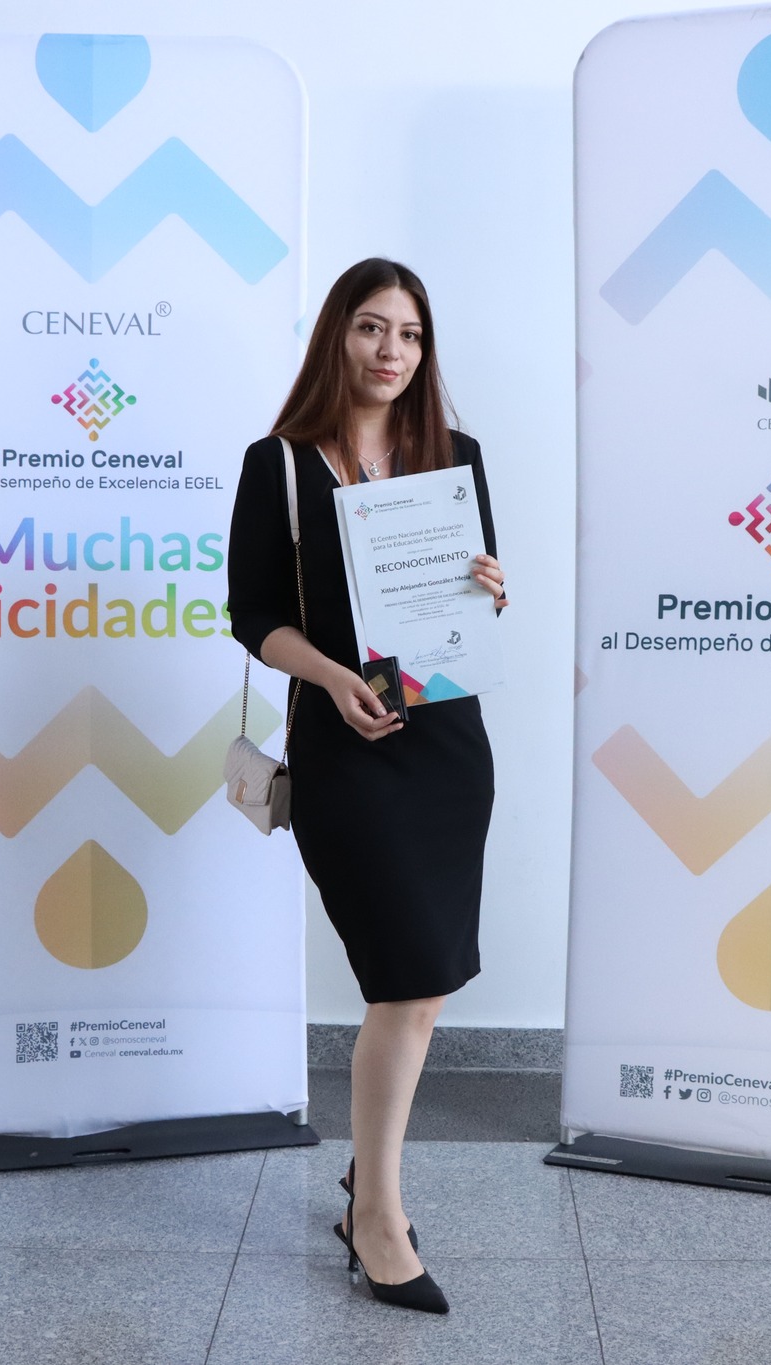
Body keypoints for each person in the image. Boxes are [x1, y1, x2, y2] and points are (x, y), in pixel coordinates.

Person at [227, 258, 506, 1315]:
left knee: (422, 987)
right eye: (371, 328)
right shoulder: (279, 464)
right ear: (336, 337)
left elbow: (470, 608)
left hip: (445, 747)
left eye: (410, 334)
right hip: (346, 752)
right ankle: (379, 1219)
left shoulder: (455, 457)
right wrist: (334, 680)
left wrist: (491, 588)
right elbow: (254, 615)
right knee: (402, 980)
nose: (392, 351)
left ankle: (366, 1192)